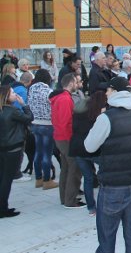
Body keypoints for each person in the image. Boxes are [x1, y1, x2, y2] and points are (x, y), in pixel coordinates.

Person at [84, 76, 131, 253]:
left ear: (115, 92)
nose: (106, 93)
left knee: (107, 237)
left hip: (112, 186)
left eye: (108, 90)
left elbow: (89, 146)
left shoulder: (106, 118)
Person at [50, 73, 84, 208]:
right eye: (76, 82)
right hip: (66, 138)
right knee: (74, 168)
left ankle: (65, 198)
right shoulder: (65, 99)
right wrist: (73, 139)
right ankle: (70, 200)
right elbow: (66, 122)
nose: (77, 85)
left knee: (66, 168)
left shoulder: (61, 97)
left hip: (60, 137)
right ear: (70, 84)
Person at [70, 90, 105, 216]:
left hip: (77, 149)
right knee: (103, 177)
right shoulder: (95, 115)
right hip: (92, 149)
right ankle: (103, 204)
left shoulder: (78, 112)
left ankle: (91, 208)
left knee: (88, 179)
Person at [0, 85, 33, 218]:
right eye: (12, 92)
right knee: (7, 180)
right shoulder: (12, 111)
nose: (15, 94)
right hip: (13, 148)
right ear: (7, 96)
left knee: (2, 178)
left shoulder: (4, 110)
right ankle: (3, 208)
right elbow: (29, 118)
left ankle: (2, 206)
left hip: (2, 149)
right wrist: (24, 104)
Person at [28, 69, 58, 190]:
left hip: (35, 123)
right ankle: (47, 180)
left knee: (38, 151)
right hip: (47, 124)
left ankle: (38, 179)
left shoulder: (31, 89)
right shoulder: (49, 91)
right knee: (47, 153)